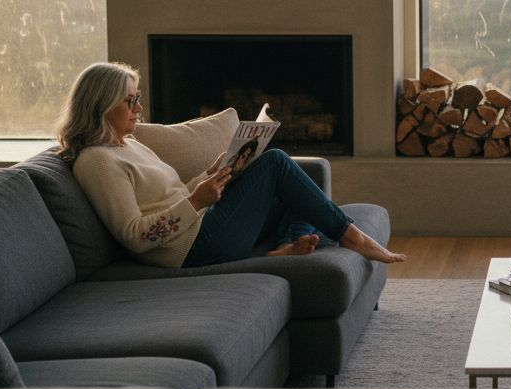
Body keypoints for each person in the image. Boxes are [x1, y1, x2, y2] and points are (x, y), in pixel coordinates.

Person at [56, 61, 406, 268]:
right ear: (101, 105)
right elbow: (135, 236)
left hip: (201, 224)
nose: (138, 108)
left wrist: (211, 175)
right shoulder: (97, 161)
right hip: (191, 248)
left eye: (138, 98)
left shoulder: (126, 144)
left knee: (293, 186)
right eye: (129, 100)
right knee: (275, 164)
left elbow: (169, 194)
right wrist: (198, 200)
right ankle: (350, 235)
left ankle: (289, 245)